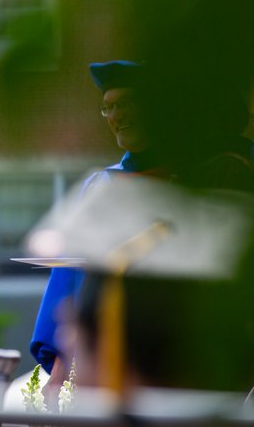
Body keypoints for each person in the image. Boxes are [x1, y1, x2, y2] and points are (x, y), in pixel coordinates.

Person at [29, 60, 254, 403]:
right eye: (108, 108)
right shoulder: (103, 185)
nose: (116, 116)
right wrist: (60, 376)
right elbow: (72, 281)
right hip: (115, 365)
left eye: (126, 104)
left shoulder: (219, 172)